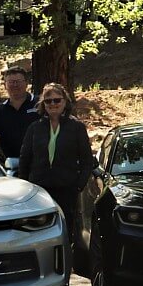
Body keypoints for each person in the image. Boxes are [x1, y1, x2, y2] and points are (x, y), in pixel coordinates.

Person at [17, 83, 94, 238]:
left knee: (66, 230)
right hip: (39, 190)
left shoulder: (76, 127)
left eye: (57, 100)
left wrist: (78, 185)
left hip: (66, 189)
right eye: (48, 101)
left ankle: (67, 261)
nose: (53, 104)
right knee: (39, 231)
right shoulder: (34, 128)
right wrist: (26, 185)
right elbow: (24, 159)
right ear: (43, 104)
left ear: (65, 102)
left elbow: (87, 160)